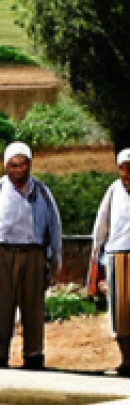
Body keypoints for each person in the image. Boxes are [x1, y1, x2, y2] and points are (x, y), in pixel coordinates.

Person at [0, 141, 62, 369]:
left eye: (22, 165)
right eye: (13, 166)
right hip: (5, 253)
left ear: (30, 165)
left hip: (34, 254)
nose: (18, 170)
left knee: (33, 306)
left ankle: (34, 353)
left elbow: (54, 223)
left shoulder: (41, 190)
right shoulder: (0, 188)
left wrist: (56, 256)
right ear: (6, 167)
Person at [88, 148, 130, 376]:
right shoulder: (113, 192)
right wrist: (95, 260)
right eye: (123, 168)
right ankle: (127, 361)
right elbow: (100, 227)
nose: (127, 173)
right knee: (120, 313)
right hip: (117, 256)